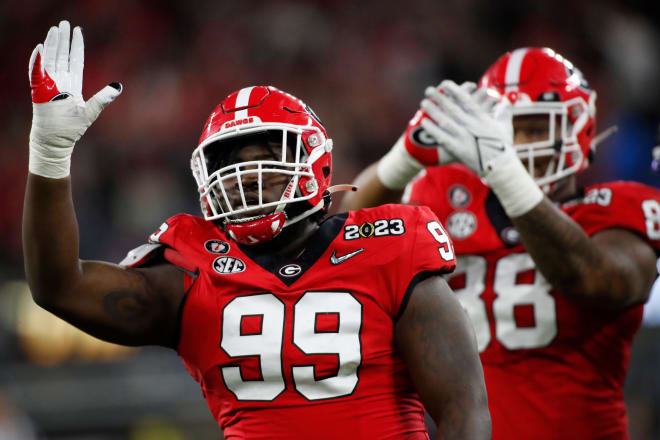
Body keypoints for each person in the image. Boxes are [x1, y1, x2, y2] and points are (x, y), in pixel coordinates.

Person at [23, 21, 491, 439]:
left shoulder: (391, 246)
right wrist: (50, 154)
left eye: (265, 156)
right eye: (231, 162)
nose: (247, 174)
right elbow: (60, 286)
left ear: (314, 160)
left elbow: (464, 413)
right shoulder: (191, 271)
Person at [341, 47, 660, 439]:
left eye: (536, 127)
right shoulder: (446, 194)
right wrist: (402, 158)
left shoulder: (618, 209)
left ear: (578, 127)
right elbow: (350, 234)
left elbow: (592, 279)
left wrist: (505, 171)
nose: (519, 144)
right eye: (507, 128)